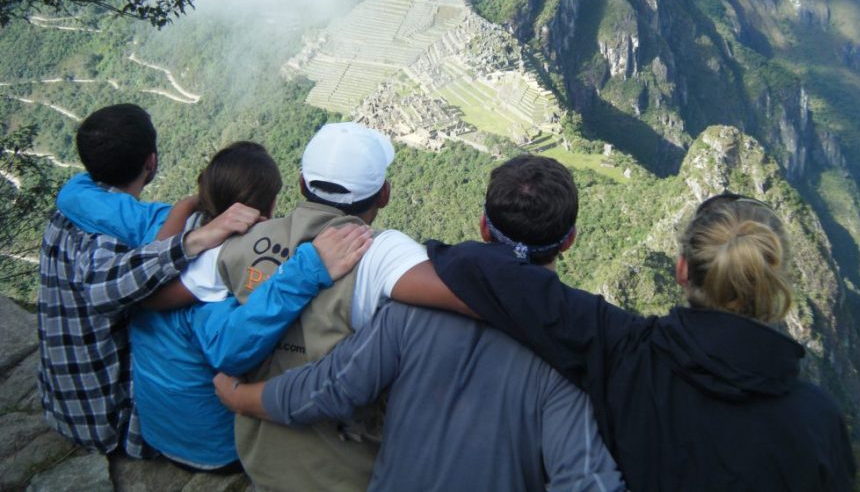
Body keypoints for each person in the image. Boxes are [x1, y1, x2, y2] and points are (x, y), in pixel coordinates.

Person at [425, 156, 856, 491]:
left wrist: (382, 259)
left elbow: (498, 276)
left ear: (682, 270)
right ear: (773, 284)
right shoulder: (819, 421)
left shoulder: (621, 349)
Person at [213, 155, 625, 492]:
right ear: (569, 239)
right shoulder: (567, 352)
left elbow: (330, 388)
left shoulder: (409, 312)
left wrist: (241, 399)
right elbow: (586, 479)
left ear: (484, 226)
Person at [56, 141, 372, 471]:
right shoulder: (218, 285)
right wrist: (309, 269)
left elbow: (75, 197)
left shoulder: (157, 237)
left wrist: (188, 204)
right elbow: (232, 350)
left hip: (154, 431)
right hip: (211, 449)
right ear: (270, 206)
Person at [182, 122, 464, 492]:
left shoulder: (235, 241)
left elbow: (169, 296)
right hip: (348, 474)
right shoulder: (381, 253)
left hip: (261, 464)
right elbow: (467, 296)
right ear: (384, 194)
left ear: (301, 184)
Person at [37, 104, 260, 457]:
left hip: (64, 403)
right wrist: (194, 240)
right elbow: (102, 289)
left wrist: (186, 207)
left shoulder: (73, 206)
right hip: (111, 419)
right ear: (151, 162)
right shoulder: (109, 235)